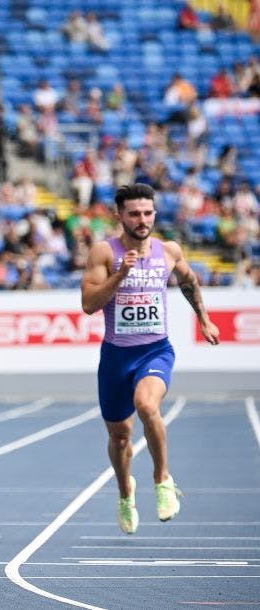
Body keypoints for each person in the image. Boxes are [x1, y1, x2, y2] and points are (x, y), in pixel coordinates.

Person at [80, 183, 220, 536]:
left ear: (155, 214)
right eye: (134, 214)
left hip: (155, 350)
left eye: (147, 213)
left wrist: (203, 318)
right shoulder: (104, 252)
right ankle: (126, 490)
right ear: (120, 216)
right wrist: (120, 274)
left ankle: (162, 480)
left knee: (147, 405)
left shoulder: (168, 250)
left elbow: (188, 282)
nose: (142, 220)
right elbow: (89, 304)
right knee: (120, 437)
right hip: (116, 357)